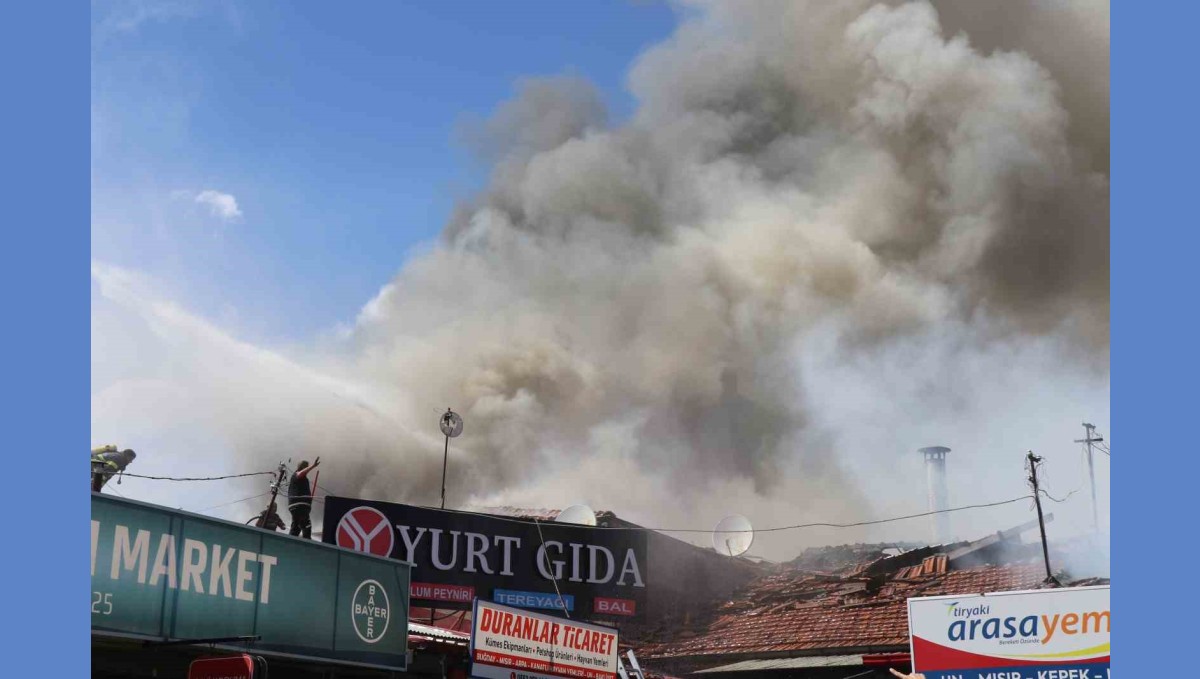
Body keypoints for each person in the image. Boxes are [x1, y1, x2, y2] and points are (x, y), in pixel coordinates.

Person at [287, 457, 320, 538]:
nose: (307, 468)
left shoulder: (304, 479)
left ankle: (294, 543)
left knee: (299, 528)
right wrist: (313, 466)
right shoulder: (296, 475)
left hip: (301, 507)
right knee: (303, 527)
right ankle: (301, 544)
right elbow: (300, 474)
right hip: (298, 506)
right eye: (306, 467)